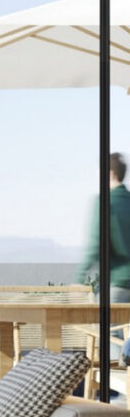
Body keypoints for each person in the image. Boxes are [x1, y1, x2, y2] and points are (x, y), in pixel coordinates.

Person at [77, 152, 130, 367]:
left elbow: (94, 247)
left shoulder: (104, 203)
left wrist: (79, 277)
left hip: (116, 285)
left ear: (109, 174)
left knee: (109, 340)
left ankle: (119, 395)